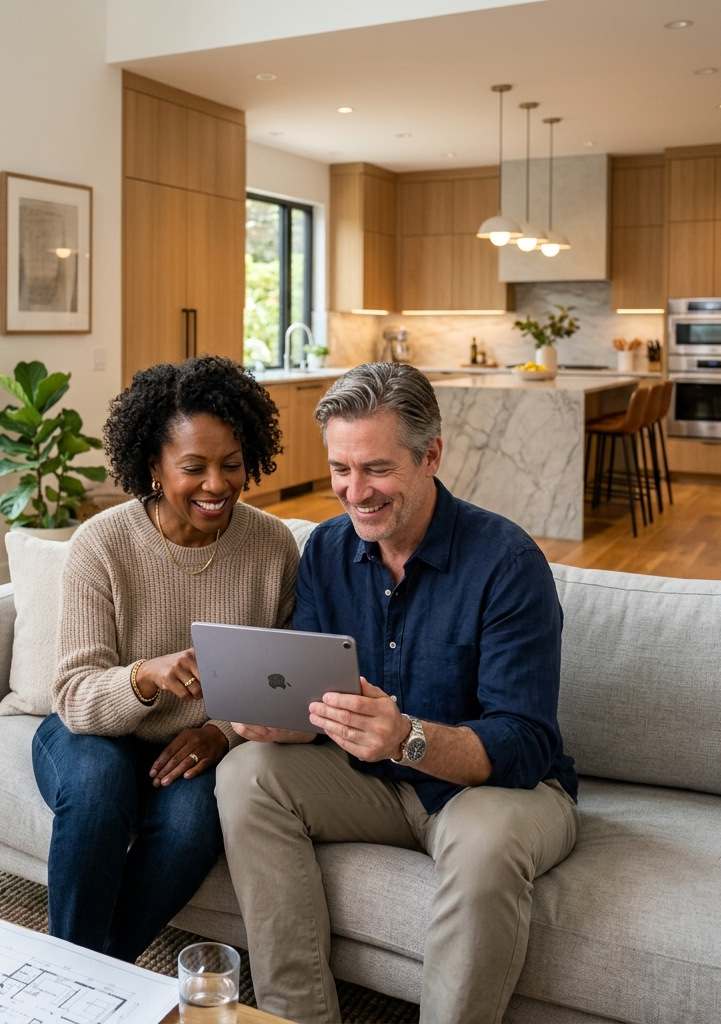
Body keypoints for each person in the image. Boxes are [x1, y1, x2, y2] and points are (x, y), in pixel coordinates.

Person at [216, 362, 580, 1024]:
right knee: (246, 772)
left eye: (376, 469)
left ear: (431, 455)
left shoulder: (506, 562)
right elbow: (320, 701)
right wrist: (282, 723)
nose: (355, 491)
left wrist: (407, 736)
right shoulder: (326, 551)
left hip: (491, 791)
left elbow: (525, 742)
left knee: (488, 841)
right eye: (341, 470)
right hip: (371, 781)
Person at [32, 354, 300, 963]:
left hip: (196, 743)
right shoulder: (102, 544)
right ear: (153, 466)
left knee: (191, 825)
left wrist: (222, 732)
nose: (217, 485)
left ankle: (93, 971)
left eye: (232, 465)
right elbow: (73, 695)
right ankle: (70, 976)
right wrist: (143, 677)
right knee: (99, 789)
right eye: (194, 467)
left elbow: (282, 684)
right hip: (93, 732)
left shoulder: (272, 547)